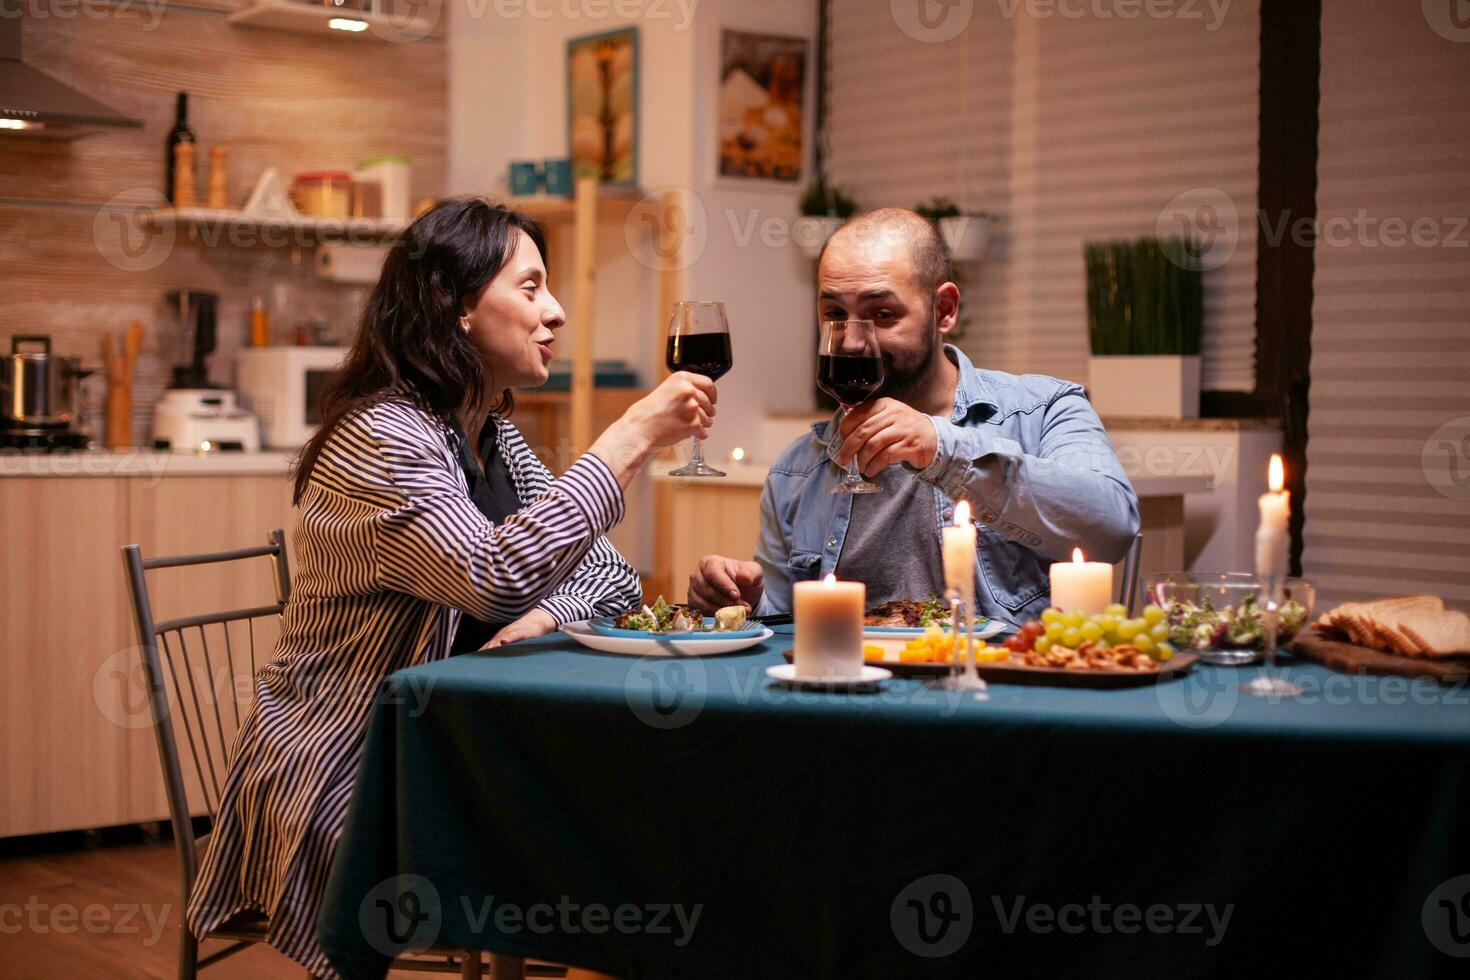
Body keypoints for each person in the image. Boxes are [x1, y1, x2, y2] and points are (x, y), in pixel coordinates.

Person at [187, 197, 712, 978]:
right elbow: (494, 577)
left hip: (464, 744)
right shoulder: (382, 437)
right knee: (588, 841)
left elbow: (606, 572)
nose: (557, 312)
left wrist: (542, 617)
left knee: (639, 823)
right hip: (354, 759)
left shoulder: (491, 433)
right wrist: (630, 436)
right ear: (457, 306)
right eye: (530, 288)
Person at [688, 208, 1138, 624]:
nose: (850, 342)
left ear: (944, 310)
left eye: (882, 314)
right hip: (854, 699)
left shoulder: (1043, 411)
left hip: (1002, 693)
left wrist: (942, 448)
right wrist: (744, 602)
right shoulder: (797, 469)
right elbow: (785, 624)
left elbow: (1111, 527)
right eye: (834, 315)